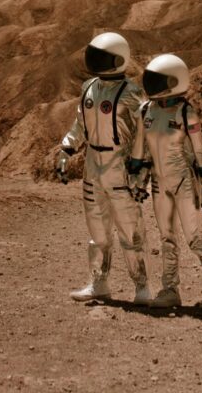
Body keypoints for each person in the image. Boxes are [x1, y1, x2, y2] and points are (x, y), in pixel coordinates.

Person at [55, 31, 152, 304]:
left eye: (101, 58)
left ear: (117, 60)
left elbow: (146, 131)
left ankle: (141, 287)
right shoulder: (89, 88)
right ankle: (99, 283)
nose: (94, 62)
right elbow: (80, 125)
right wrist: (66, 149)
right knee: (98, 232)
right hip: (92, 165)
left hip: (120, 167)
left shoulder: (132, 94)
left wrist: (141, 169)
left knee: (130, 231)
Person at [127, 53, 202, 310]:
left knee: (194, 237)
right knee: (167, 237)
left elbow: (200, 153)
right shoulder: (145, 112)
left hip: (183, 181)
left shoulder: (186, 113)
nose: (153, 86)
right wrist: (137, 175)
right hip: (159, 184)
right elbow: (139, 150)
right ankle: (169, 289)